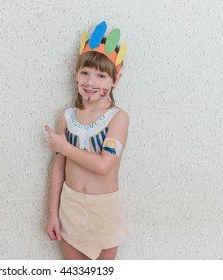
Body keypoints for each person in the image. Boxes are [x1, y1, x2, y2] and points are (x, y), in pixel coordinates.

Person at [44, 20, 129, 260]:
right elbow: (58, 167)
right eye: (85, 73)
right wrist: (52, 214)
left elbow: (104, 166)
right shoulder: (67, 116)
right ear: (76, 74)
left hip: (104, 211)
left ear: (115, 79)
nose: (91, 82)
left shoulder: (118, 118)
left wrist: (64, 147)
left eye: (101, 75)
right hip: (70, 208)